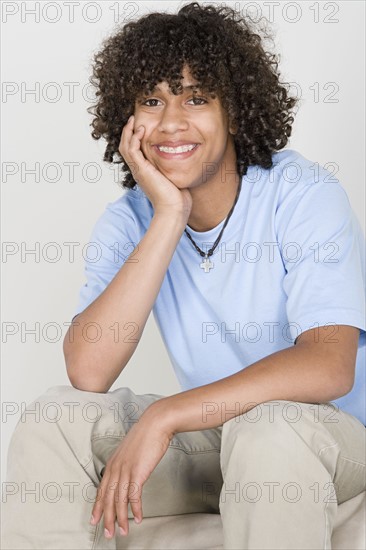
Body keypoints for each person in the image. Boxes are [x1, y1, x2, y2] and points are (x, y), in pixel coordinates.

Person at [2, 3, 365, 549]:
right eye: (152, 100)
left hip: (324, 438)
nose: (171, 122)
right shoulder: (129, 219)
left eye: (196, 98)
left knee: (267, 433)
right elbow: (88, 371)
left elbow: (330, 364)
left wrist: (168, 414)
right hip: (215, 437)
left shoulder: (303, 195)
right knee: (56, 417)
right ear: (127, 119)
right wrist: (168, 216)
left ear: (235, 112)